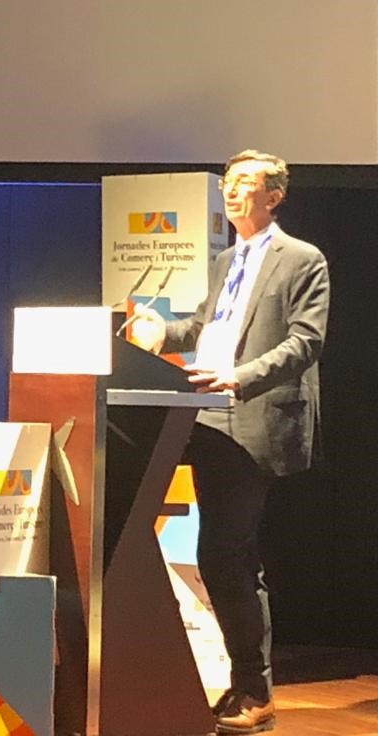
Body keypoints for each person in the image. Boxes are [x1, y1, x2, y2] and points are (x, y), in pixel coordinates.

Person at [131, 150, 329, 735]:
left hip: (254, 419)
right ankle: (247, 685)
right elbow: (204, 328)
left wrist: (239, 378)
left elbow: (306, 341)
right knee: (224, 556)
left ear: (274, 196)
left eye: (245, 183)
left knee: (227, 555)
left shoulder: (302, 259)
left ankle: (255, 691)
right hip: (208, 420)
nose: (232, 191)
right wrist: (161, 332)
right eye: (228, 183)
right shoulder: (225, 261)